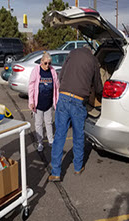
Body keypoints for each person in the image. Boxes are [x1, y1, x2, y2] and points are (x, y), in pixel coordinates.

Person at [48, 46, 103, 182]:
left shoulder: (72, 53)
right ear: (91, 51)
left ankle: (55, 172)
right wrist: (100, 95)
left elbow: (62, 75)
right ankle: (78, 167)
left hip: (64, 97)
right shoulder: (93, 60)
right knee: (78, 135)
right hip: (79, 101)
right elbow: (97, 85)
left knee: (60, 135)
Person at [28, 52, 59, 151]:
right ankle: (40, 142)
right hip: (38, 104)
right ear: (41, 62)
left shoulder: (52, 71)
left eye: (49, 63)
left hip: (48, 103)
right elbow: (31, 87)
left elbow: (57, 87)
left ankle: (51, 140)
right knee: (39, 124)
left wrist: (56, 101)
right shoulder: (36, 71)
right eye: (45, 63)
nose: (47, 65)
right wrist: (31, 102)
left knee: (49, 123)